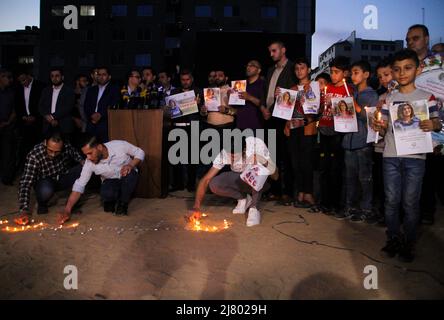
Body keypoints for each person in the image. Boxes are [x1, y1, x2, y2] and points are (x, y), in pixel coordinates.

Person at [373, 49, 442, 262]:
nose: (402, 73)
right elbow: (383, 130)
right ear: (392, 72)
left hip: (416, 157)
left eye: (407, 68)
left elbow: (438, 122)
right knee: (391, 201)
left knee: (411, 202)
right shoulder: (388, 99)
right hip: (391, 155)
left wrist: (433, 124)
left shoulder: (427, 98)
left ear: (418, 69)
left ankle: (408, 241)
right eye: (397, 69)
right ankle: (393, 237)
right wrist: (379, 126)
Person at [190, 136, 277, 227]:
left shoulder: (256, 145)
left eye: (234, 155)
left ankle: (254, 208)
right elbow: (205, 180)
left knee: (257, 171)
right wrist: (196, 206)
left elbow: (275, 175)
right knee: (215, 183)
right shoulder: (224, 154)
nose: (231, 158)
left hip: (261, 182)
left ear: (244, 150)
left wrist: (263, 161)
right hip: (241, 180)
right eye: (229, 155)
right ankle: (243, 199)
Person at [59, 134, 145, 224]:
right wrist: (67, 210)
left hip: (127, 176)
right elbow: (79, 186)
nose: (88, 158)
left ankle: (123, 203)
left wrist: (130, 165)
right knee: (107, 197)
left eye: (90, 153)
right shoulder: (89, 163)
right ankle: (111, 200)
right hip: (110, 181)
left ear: (99, 147)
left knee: (130, 176)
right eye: (86, 154)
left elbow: (140, 152)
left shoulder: (119, 145)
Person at [15, 129, 84, 226]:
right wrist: (24, 210)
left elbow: (77, 156)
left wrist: (83, 162)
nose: (53, 155)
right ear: (45, 143)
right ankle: (42, 203)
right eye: (50, 150)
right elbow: (25, 184)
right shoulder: (34, 155)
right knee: (46, 189)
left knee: (83, 169)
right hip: (45, 182)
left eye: (57, 152)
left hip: (62, 177)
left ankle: (73, 202)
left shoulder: (66, 146)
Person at [341, 60, 379, 223]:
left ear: (366, 75)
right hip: (348, 141)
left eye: (356, 72)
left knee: (364, 178)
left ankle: (366, 208)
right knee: (350, 177)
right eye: (352, 72)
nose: (353, 75)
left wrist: (354, 104)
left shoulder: (371, 95)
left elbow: (369, 118)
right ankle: (350, 207)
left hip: (363, 142)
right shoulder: (353, 93)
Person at [318, 56, 354, 217]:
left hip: (338, 133)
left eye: (336, 72)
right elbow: (318, 109)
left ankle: (336, 203)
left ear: (345, 73)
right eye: (331, 72)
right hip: (324, 129)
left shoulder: (348, 90)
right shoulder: (327, 88)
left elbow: (350, 112)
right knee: (324, 168)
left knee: (336, 169)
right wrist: (321, 101)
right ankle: (324, 202)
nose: (333, 75)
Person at [263, 41, 297, 205]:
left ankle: (288, 192)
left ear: (283, 50)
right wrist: (264, 107)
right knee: (272, 156)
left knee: (287, 156)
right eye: (270, 52)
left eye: (274, 51)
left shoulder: (292, 68)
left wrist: (285, 94)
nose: (271, 54)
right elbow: (266, 93)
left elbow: (295, 92)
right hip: (270, 115)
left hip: (285, 116)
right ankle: (275, 190)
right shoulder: (270, 70)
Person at [284, 57, 318, 210]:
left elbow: (318, 109)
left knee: (307, 162)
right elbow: (286, 110)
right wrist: (286, 124)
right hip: (293, 127)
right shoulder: (291, 89)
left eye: (302, 68)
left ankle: (308, 192)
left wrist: (308, 118)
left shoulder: (314, 86)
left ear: (309, 70)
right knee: (295, 162)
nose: (299, 71)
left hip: (307, 127)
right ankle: (300, 193)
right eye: (297, 69)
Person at [169, 69, 202, 192]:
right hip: (177, 126)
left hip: (192, 126)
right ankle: (178, 184)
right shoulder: (174, 92)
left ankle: (191, 185)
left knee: (193, 158)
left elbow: (204, 112)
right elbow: (171, 111)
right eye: (183, 80)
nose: (185, 82)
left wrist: (198, 105)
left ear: (191, 79)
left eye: (187, 79)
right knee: (177, 157)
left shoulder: (198, 92)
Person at [15, 70, 46, 170]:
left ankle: (39, 170)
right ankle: (26, 170)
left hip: (38, 123)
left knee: (38, 148)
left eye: (23, 80)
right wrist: (23, 116)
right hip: (24, 123)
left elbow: (44, 105)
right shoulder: (18, 87)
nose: (22, 83)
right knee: (24, 148)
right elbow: (17, 105)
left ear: (29, 76)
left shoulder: (41, 86)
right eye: (20, 81)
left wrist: (35, 117)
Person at [84, 67, 120, 143]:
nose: (101, 77)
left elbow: (114, 104)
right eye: (99, 74)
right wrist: (92, 115)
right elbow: (86, 106)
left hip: (105, 125)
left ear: (109, 77)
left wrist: (100, 115)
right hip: (91, 124)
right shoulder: (91, 90)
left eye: (104, 74)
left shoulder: (115, 89)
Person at [38, 67, 76, 140]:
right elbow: (40, 106)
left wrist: (53, 117)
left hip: (63, 126)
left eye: (57, 76)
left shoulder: (69, 91)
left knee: (65, 149)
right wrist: (48, 118)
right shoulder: (46, 90)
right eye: (52, 76)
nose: (54, 78)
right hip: (48, 125)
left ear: (62, 77)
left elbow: (68, 107)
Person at [235, 60, 268, 131]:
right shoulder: (241, 84)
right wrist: (231, 96)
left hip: (256, 126)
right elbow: (236, 106)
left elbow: (266, 104)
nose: (248, 67)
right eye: (247, 65)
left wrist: (250, 97)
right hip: (240, 125)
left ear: (259, 70)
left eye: (252, 65)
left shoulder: (263, 84)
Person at [0, 68, 16, 185]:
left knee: (8, 153)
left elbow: (15, 110)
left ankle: (6, 179)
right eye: (8, 77)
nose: (10, 80)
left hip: (8, 127)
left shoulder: (11, 92)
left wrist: (7, 122)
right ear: (1, 77)